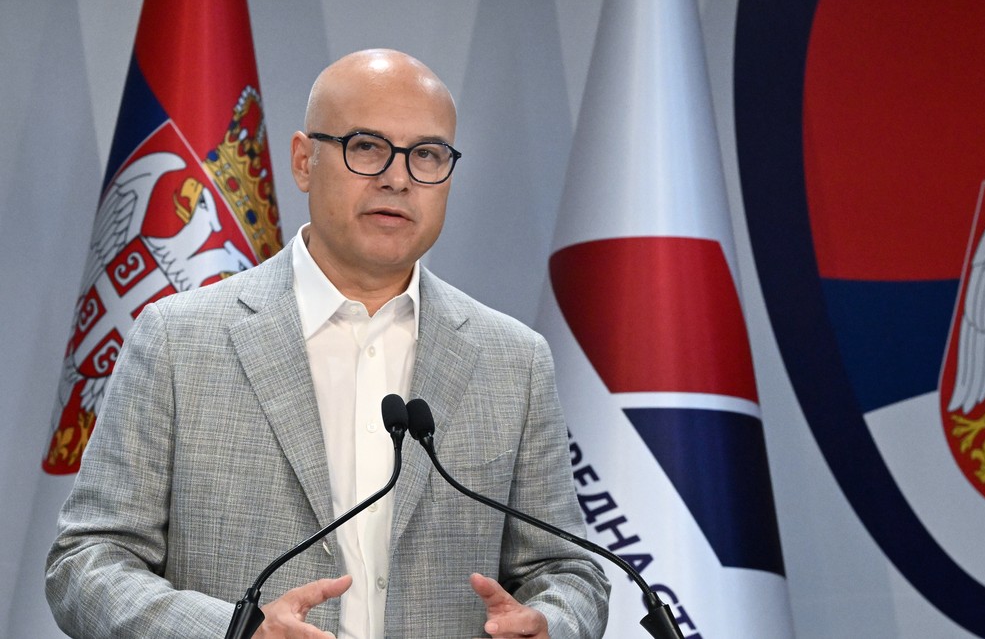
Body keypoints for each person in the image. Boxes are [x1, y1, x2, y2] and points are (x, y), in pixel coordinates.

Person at [45, 49, 610, 638]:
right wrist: (235, 632)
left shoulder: (513, 360)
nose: (398, 178)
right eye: (366, 146)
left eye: (426, 154)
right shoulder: (177, 340)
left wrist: (551, 624)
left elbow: (567, 570)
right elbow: (86, 561)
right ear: (303, 161)